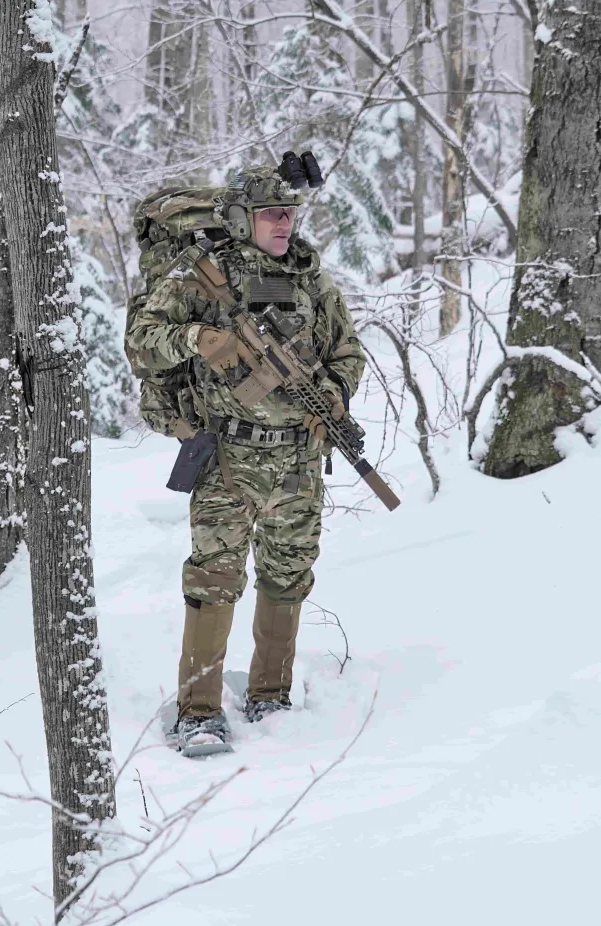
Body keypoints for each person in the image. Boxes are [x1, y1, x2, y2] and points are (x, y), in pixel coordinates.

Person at [126, 165, 366, 751]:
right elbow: (140, 341)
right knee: (213, 581)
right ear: (240, 219)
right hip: (228, 457)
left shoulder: (311, 280)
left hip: (298, 460)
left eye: (289, 212)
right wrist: (196, 340)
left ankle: (270, 696)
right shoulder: (199, 277)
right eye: (271, 213)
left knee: (288, 577)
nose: (284, 222)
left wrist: (333, 394)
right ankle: (200, 710)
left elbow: (347, 351)